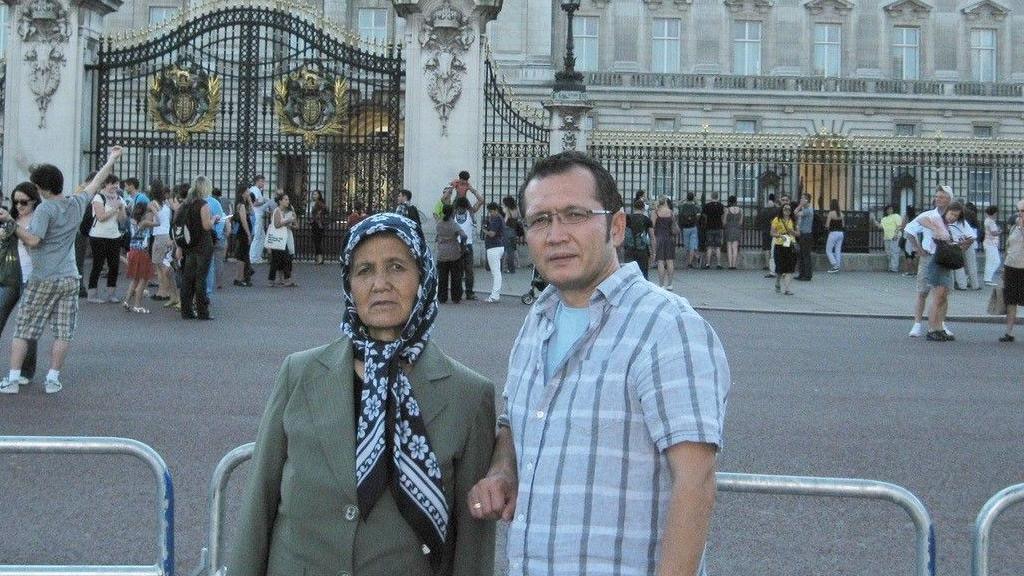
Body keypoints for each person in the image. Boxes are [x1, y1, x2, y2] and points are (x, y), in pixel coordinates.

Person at [468, 151, 730, 576]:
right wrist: (503, 471)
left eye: (574, 214)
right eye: (540, 220)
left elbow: (696, 483)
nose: (555, 235)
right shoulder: (538, 319)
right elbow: (515, 424)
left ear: (618, 226)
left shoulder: (668, 326)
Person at [227, 213, 496, 576]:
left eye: (397, 267)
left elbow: (472, 546)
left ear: (423, 278)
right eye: (364, 270)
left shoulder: (469, 394)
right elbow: (260, 501)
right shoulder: (299, 374)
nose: (380, 284)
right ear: (349, 285)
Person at [0, 146, 124, 395]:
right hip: (69, 277)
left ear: (43, 189)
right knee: (63, 331)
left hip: (44, 276)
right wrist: (111, 159)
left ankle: (13, 378)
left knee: (24, 329)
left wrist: (11, 223)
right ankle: (53, 378)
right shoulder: (76, 202)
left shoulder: (46, 209)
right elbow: (97, 181)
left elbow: (34, 240)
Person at [904, 195, 968, 341]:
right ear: (947, 211)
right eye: (951, 214)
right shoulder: (937, 219)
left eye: (956, 216)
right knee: (935, 296)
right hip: (936, 260)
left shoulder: (952, 225)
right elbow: (920, 221)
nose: (952, 217)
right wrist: (933, 231)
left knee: (943, 296)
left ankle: (939, 327)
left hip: (947, 262)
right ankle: (931, 328)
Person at [0, 183, 41, 387]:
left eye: (23, 202)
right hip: (10, 275)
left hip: (31, 277)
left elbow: (33, 242)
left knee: (27, 326)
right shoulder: (11, 218)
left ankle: (26, 370)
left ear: (33, 200)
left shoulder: (38, 219)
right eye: (15, 201)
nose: (19, 205)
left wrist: (12, 224)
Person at [177, 176, 215, 320]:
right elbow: (206, 225)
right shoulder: (203, 204)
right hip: (203, 244)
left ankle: (186, 310)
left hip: (189, 244)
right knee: (201, 279)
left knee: (188, 278)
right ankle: (202, 311)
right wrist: (214, 219)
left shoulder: (186, 204)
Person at [86, 174, 127, 303]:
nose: (115, 186)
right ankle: (92, 295)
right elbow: (101, 217)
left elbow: (122, 220)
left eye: (116, 183)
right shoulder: (99, 197)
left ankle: (111, 294)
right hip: (98, 236)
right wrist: (114, 208)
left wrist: (121, 209)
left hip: (114, 235)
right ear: (105, 184)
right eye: (112, 183)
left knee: (114, 265)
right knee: (98, 265)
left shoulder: (119, 198)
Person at [997, 200, 1023, 342]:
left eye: (1023, 212)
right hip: (1011, 267)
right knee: (1011, 300)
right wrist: (1003, 267)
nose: (1020, 214)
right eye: (1019, 212)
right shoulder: (1014, 228)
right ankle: (1009, 332)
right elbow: (1008, 248)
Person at [123, 202, 155, 313]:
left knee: (135, 279)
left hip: (133, 250)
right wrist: (154, 210)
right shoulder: (144, 222)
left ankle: (126, 301)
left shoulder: (131, 221)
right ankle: (137, 305)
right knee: (143, 279)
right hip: (142, 251)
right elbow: (158, 223)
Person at [452, 196, 482, 300]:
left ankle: (469, 292)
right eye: (459, 207)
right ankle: (462, 292)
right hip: (459, 244)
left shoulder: (470, 214)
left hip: (466, 244)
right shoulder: (455, 214)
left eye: (462, 207)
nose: (460, 209)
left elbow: (480, 202)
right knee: (461, 271)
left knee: (468, 271)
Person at [436, 204, 467, 304]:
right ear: (452, 212)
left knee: (442, 277)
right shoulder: (453, 224)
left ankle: (442, 296)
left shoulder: (439, 223)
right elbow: (464, 235)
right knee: (455, 276)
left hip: (442, 252)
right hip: (454, 252)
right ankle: (456, 296)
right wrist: (462, 244)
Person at [267, 193, 297, 288]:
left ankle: (274, 280)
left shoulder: (286, 211)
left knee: (279, 260)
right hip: (278, 239)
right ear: (280, 201)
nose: (287, 201)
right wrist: (288, 221)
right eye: (285, 199)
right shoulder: (277, 211)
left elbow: (294, 224)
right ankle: (284, 280)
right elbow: (276, 224)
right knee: (283, 259)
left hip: (282, 239)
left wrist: (289, 221)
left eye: (288, 199)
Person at [622, 198, 654, 281]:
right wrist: (653, 252)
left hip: (629, 250)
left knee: (628, 275)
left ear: (634, 208)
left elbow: (622, 234)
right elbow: (652, 237)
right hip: (642, 251)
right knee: (643, 274)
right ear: (643, 208)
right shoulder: (647, 220)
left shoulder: (627, 218)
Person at [771, 203, 798, 295]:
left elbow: (798, 233)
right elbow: (772, 233)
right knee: (780, 268)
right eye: (785, 209)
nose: (787, 211)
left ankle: (787, 289)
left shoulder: (793, 220)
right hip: (780, 245)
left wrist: (792, 232)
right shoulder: (777, 220)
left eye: (789, 209)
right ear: (782, 210)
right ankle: (778, 281)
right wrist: (779, 235)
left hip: (790, 244)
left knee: (789, 268)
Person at [954, 201, 981, 290]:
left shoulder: (953, 216)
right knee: (972, 264)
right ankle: (975, 284)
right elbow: (977, 227)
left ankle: (962, 284)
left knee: (959, 264)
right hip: (970, 240)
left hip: (958, 242)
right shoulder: (971, 214)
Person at [205, 186, 227, 296]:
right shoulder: (215, 203)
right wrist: (218, 234)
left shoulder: (204, 201)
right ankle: (217, 283)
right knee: (216, 262)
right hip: (214, 236)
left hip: (207, 237)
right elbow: (222, 219)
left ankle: (207, 288)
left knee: (208, 263)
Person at [482, 202, 505, 303]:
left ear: (496, 209)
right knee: (496, 272)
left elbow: (492, 234)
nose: (490, 213)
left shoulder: (496, 219)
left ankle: (495, 295)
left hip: (493, 247)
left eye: (491, 211)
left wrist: (484, 230)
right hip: (498, 246)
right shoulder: (499, 218)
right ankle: (495, 294)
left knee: (495, 272)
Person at [232, 184, 254, 287]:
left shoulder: (244, 204)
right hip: (243, 232)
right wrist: (248, 234)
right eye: (247, 191)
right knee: (241, 256)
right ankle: (239, 277)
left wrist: (250, 201)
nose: (249, 193)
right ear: (243, 193)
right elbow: (244, 220)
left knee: (244, 255)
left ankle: (240, 277)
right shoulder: (241, 205)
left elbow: (253, 213)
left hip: (244, 232)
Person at [652, 197, 677, 289]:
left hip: (659, 237)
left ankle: (661, 284)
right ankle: (670, 284)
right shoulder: (671, 212)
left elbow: (652, 226)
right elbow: (674, 225)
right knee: (670, 261)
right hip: (669, 238)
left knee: (660, 262)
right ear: (666, 202)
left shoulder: (656, 212)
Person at [874, 205, 904, 273]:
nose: (890, 210)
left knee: (895, 252)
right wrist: (874, 221)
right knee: (888, 253)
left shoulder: (896, 216)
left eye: (891, 209)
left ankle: (894, 268)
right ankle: (890, 267)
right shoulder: (884, 219)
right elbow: (880, 227)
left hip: (895, 237)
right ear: (886, 210)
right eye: (888, 209)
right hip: (887, 237)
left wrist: (896, 235)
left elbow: (899, 226)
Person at [756, 194, 780, 277]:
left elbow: (758, 220)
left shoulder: (763, 210)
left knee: (766, 248)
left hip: (765, 230)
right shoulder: (777, 210)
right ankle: (775, 265)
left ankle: (767, 265)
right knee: (774, 248)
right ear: (774, 200)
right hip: (775, 231)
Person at [248, 175, 269, 265]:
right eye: (262, 181)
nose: (263, 183)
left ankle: (257, 256)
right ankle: (252, 257)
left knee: (262, 236)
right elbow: (255, 203)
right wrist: (264, 202)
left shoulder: (257, 190)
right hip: (257, 216)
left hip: (259, 215)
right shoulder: (255, 190)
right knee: (257, 236)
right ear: (257, 181)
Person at [677, 193, 701, 269]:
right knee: (692, 246)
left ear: (687, 198)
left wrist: (684, 199)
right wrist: (696, 201)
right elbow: (700, 209)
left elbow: (678, 204)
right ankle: (690, 263)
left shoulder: (683, 206)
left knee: (687, 246)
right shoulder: (695, 206)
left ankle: (688, 262)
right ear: (693, 198)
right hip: (693, 227)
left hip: (685, 227)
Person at [794, 194, 814, 280]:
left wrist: (800, 205)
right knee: (801, 255)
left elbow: (795, 213)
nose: (801, 199)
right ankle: (801, 274)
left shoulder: (808, 210)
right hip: (802, 234)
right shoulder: (805, 209)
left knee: (806, 255)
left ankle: (807, 275)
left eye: (802, 198)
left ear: (807, 200)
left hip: (806, 235)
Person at [703, 192, 725, 269]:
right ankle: (718, 264)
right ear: (718, 197)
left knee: (709, 247)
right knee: (718, 247)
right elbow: (722, 217)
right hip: (718, 227)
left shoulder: (707, 206)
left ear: (711, 196)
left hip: (709, 227)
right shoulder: (721, 206)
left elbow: (705, 217)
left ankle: (707, 264)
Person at [501, 196, 522, 274]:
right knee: (512, 250)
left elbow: (505, 221)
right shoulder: (516, 210)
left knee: (506, 250)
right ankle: (513, 266)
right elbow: (519, 219)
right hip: (514, 231)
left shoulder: (507, 210)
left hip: (507, 231)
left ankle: (504, 267)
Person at [982, 205, 1001, 286]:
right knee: (996, 261)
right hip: (991, 244)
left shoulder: (987, 220)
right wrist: (1000, 231)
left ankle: (987, 278)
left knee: (990, 262)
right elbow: (994, 233)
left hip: (988, 243)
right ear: (994, 213)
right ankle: (988, 278)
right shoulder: (991, 222)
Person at [824, 199, 844, 273]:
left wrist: (826, 227)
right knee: (837, 250)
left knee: (828, 250)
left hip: (833, 233)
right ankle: (837, 266)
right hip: (841, 233)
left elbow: (827, 225)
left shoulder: (831, 213)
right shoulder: (841, 214)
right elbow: (843, 225)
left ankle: (835, 265)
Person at [723, 195, 743, 269]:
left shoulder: (727, 210)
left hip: (729, 228)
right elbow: (741, 222)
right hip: (737, 229)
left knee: (729, 247)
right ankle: (734, 265)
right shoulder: (740, 210)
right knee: (735, 248)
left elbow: (724, 222)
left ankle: (730, 265)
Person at [310, 190, 327, 265]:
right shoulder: (317, 203)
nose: (314, 195)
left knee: (317, 241)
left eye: (315, 194)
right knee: (317, 241)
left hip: (318, 224)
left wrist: (318, 215)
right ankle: (318, 258)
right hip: (317, 224)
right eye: (313, 194)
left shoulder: (319, 203)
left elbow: (325, 210)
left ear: (319, 195)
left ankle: (319, 258)